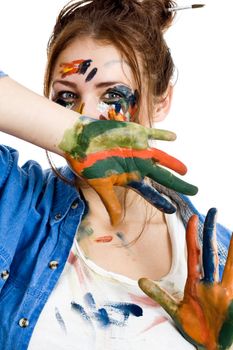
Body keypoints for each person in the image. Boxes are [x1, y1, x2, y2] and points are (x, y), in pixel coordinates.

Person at [0, 1, 232, 349]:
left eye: (112, 95)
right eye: (66, 96)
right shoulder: (13, 202)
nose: (86, 114)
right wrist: (73, 135)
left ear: (161, 101)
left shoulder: (220, 262)